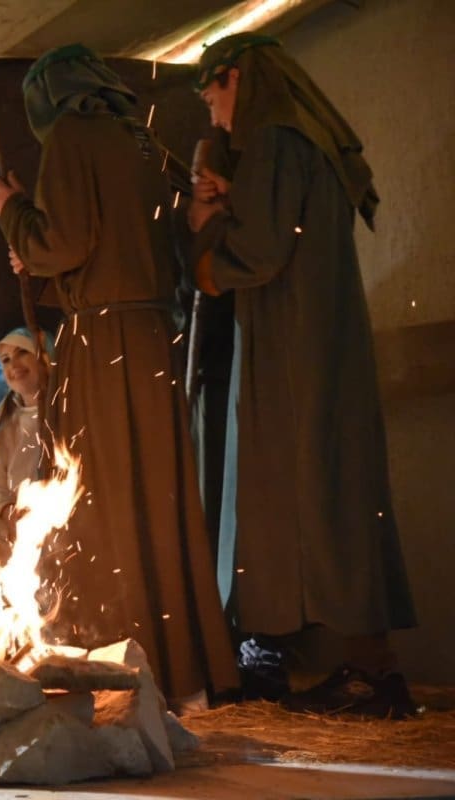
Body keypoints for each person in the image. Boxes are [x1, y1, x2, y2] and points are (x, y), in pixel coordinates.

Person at [0, 44, 239, 705]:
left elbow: (65, 243)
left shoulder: (72, 135)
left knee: (99, 503)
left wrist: (16, 214)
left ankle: (118, 663)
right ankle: (180, 666)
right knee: (152, 496)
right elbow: (120, 244)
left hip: (102, 347)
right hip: (151, 340)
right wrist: (39, 253)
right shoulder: (139, 139)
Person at [187, 33, 416, 718]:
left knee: (322, 502)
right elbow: (283, 225)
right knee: (316, 499)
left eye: (212, 97)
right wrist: (238, 196)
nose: (213, 116)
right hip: (312, 352)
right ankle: (306, 654)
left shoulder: (275, 140)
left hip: (298, 359)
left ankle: (371, 672)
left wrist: (207, 232)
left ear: (238, 79)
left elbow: (258, 252)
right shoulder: (295, 144)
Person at [0, 327, 55, 542]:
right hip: (14, 535)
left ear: (45, 358)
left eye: (22, 352)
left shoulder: (70, 417)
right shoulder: (7, 427)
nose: (13, 365)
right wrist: (7, 510)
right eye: (5, 359)